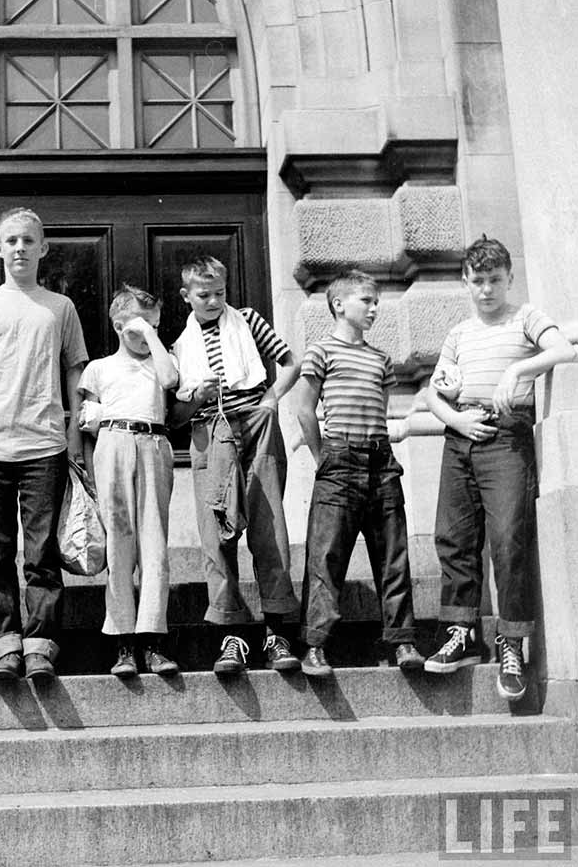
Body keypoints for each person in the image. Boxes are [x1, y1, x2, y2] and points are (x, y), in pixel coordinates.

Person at [423, 236, 574, 701]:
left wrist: (518, 371)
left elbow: (564, 350)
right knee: (453, 537)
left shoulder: (525, 316)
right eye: (478, 281)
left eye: (495, 280)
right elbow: (434, 393)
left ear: (508, 279)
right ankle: (461, 634)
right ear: (465, 282)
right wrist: (455, 420)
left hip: (505, 437)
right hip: (461, 435)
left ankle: (512, 644)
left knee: (508, 539)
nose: (486, 290)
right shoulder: (459, 333)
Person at [0, 207, 88, 683]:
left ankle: (39, 647)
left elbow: (75, 370)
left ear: (43, 248)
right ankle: (5, 647)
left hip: (44, 446)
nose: (20, 248)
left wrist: (75, 437)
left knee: (41, 554)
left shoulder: (59, 307)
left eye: (28, 241)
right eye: (11, 241)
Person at [171, 256, 300, 676]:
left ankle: (276, 631)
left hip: (256, 425)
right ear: (186, 296)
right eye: (203, 295)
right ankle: (232, 636)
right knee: (216, 534)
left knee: (268, 526)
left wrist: (271, 399)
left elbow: (291, 363)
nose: (212, 302)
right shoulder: (180, 345)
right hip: (210, 432)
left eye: (219, 293)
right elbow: (173, 414)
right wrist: (194, 397)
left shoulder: (246, 319)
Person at [294, 269, 424, 677]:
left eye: (376, 302)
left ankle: (402, 641)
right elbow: (303, 409)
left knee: (392, 555)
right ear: (338, 305)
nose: (374, 308)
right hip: (339, 460)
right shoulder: (321, 352)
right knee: (327, 555)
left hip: (380, 462)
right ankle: (315, 645)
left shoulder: (380, 359)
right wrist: (322, 458)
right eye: (366, 300)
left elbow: (381, 410)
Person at [78, 285, 179, 678]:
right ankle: (122, 639)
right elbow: (85, 423)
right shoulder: (100, 368)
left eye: (154, 326)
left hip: (154, 442)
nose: (147, 333)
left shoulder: (159, 361)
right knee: (119, 543)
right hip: (114, 444)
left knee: (154, 543)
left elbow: (171, 381)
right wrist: (89, 471)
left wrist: (152, 336)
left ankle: (152, 638)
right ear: (119, 325)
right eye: (137, 327)